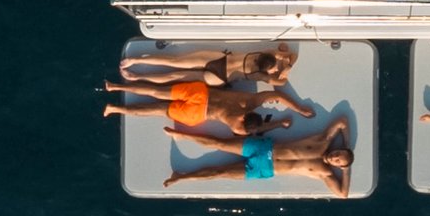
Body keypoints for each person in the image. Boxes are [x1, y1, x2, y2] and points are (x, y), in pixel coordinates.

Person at [162, 117, 354, 197]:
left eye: (338, 161)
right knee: (219, 143)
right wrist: (347, 144)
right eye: (339, 153)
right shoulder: (323, 141)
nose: (335, 157)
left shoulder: (325, 173)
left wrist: (346, 170)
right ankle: (182, 135)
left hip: (264, 169)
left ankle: (181, 177)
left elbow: (342, 194)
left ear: (339, 166)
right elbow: (342, 122)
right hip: (265, 148)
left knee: (219, 173)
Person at [102, 77, 312, 134]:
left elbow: (277, 95)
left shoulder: (249, 101)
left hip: (200, 94)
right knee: (156, 109)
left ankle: (115, 87)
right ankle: (115, 108)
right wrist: (279, 124)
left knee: (157, 93)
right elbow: (260, 128)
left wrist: (299, 109)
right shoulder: (240, 128)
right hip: (197, 114)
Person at [118, 42, 296, 87]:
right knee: (175, 76)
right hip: (219, 78)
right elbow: (281, 82)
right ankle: (138, 77)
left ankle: (135, 60)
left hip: (219, 59)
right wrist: (285, 71)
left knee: (174, 62)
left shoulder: (267, 53)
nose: (276, 69)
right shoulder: (261, 76)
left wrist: (286, 63)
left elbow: (289, 54)